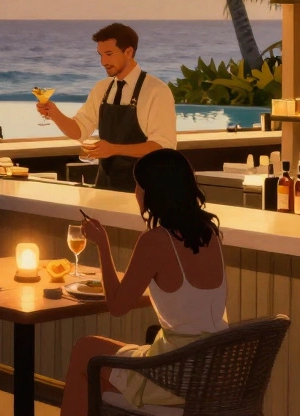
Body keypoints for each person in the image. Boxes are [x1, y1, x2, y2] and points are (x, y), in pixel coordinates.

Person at [60, 149, 227, 416]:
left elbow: (116, 305)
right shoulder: (211, 233)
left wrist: (102, 244)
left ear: (154, 193)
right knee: (99, 362)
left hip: (176, 375)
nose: (136, 193)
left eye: (138, 186)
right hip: (212, 370)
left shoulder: (155, 242)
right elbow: (187, 299)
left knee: (85, 350)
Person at [38, 23, 177, 191]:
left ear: (128, 52)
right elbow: (79, 131)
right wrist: (54, 113)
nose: (103, 62)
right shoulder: (101, 89)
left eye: (109, 54)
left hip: (145, 189)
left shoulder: (156, 91)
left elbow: (163, 148)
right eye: (100, 55)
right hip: (105, 187)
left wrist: (113, 149)